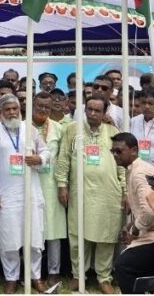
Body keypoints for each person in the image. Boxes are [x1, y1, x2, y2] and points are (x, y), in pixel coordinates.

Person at [54, 95, 123, 293]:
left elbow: (121, 163)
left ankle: (104, 278)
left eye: (97, 110)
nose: (92, 113)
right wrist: (62, 185)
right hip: (80, 191)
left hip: (108, 193)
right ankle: (78, 275)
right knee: (78, 235)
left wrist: (125, 189)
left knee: (106, 236)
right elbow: (63, 158)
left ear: (104, 112)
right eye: (89, 109)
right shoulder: (73, 129)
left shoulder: (113, 132)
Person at [0, 94, 51, 294]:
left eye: (15, 108)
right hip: (6, 195)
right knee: (9, 239)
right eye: (8, 109)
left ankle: (35, 277)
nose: (12, 112)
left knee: (34, 238)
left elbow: (46, 151)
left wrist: (39, 159)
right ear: (0, 111)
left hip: (31, 192)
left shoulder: (30, 129)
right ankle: (11, 278)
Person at [110, 132, 154, 294]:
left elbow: (150, 212)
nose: (115, 155)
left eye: (119, 151)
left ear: (134, 151)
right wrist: (131, 225)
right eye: (112, 151)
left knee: (123, 265)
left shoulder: (139, 173)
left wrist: (134, 230)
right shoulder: (136, 169)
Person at [31, 92, 65, 287]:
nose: (43, 110)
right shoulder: (24, 127)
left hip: (52, 185)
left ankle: (54, 271)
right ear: (33, 105)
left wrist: (62, 186)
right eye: (39, 106)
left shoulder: (58, 129)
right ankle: (33, 272)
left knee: (54, 231)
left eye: (47, 107)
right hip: (30, 183)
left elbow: (62, 159)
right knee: (33, 229)